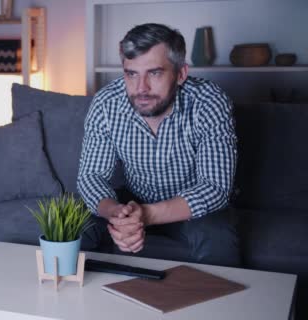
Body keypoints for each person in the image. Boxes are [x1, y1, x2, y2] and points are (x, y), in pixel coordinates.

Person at [77, 23, 240, 267]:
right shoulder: (106, 102)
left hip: (191, 207)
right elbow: (91, 176)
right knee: (73, 227)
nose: (141, 88)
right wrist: (116, 214)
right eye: (131, 74)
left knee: (218, 239)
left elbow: (215, 187)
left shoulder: (210, 102)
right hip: (131, 200)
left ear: (181, 74)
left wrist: (147, 215)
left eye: (154, 73)